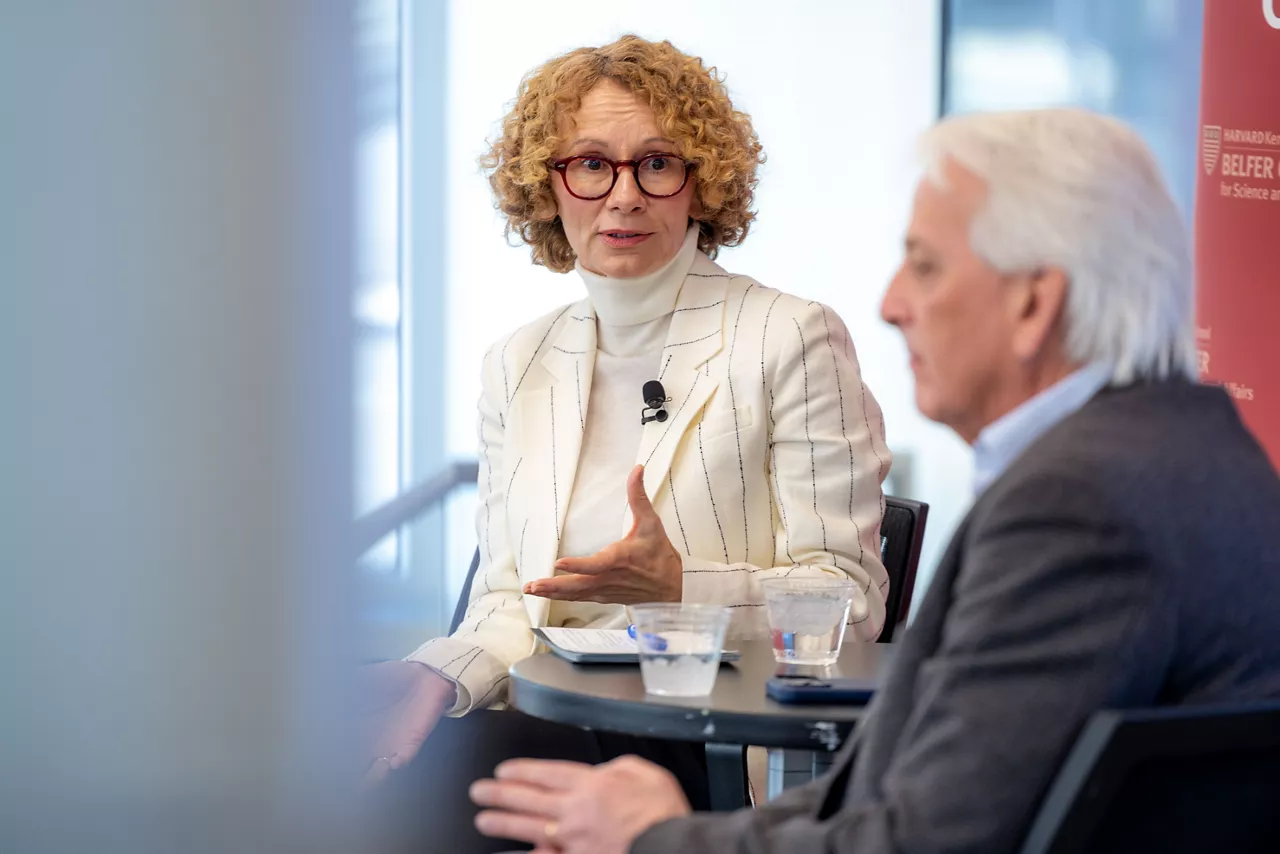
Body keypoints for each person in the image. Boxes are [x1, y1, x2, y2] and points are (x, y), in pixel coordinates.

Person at [468, 108, 1280, 853]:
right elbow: (918, 794)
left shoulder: (1082, 506)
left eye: (924, 267)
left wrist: (659, 839)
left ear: (1035, 304)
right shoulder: (1190, 455)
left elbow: (924, 839)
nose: (892, 305)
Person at [363, 35, 891, 852]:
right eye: (590, 164)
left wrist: (679, 585)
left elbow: (851, 606)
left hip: (700, 745)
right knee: (365, 760)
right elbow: (508, 600)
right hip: (544, 714)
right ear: (549, 186)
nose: (624, 196)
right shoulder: (517, 362)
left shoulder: (790, 336)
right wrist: (439, 673)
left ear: (700, 182)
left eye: (656, 163)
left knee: (417, 793)